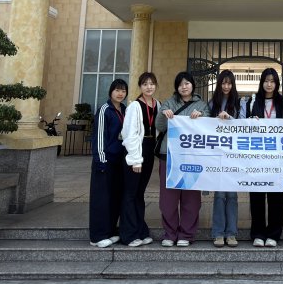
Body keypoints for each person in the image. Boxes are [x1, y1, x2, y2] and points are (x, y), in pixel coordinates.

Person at [154, 71, 209, 247]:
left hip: (192, 157)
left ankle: (186, 234)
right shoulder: (169, 102)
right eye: (180, 84)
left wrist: (202, 117)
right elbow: (159, 126)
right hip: (169, 156)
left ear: (193, 85)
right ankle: (170, 234)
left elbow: (208, 128)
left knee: (191, 199)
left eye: (187, 83)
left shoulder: (201, 105)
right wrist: (163, 114)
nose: (183, 87)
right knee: (168, 199)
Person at [247, 67, 283, 247]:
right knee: (256, 195)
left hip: (277, 155)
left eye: (272, 81)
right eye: (266, 81)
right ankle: (258, 233)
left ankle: (273, 234)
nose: (269, 84)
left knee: (276, 196)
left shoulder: (282, 102)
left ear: (277, 84)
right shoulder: (253, 101)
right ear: (261, 82)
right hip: (257, 155)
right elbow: (243, 124)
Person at [119, 72, 159, 247]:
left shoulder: (157, 104)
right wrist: (135, 159)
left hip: (149, 151)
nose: (149, 87)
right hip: (136, 152)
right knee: (130, 193)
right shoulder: (135, 106)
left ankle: (140, 231)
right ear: (140, 86)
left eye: (151, 84)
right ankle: (128, 235)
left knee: (139, 192)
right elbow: (129, 134)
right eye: (145, 84)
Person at [89, 79, 128, 248]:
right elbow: (99, 137)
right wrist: (101, 161)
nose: (120, 94)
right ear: (111, 91)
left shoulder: (124, 110)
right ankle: (97, 236)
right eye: (117, 90)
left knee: (114, 198)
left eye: (123, 91)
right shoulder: (104, 110)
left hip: (119, 161)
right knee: (101, 199)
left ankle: (110, 231)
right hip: (105, 161)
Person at [208, 69, 242, 248]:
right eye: (223, 83)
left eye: (229, 83)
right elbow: (205, 125)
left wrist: (230, 119)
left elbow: (243, 124)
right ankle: (218, 233)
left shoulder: (239, 102)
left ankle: (231, 233)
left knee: (232, 195)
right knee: (220, 195)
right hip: (217, 154)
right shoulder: (212, 102)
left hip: (234, 154)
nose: (226, 86)